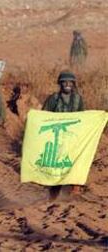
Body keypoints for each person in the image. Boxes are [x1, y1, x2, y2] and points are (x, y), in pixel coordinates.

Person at [43, 71, 85, 200]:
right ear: (60, 84)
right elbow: (44, 116)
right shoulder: (53, 99)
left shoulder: (78, 99)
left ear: (73, 84)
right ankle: (53, 195)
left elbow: (83, 118)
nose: (67, 84)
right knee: (57, 168)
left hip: (72, 139)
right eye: (64, 82)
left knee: (75, 163)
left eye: (70, 82)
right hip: (57, 139)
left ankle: (74, 191)